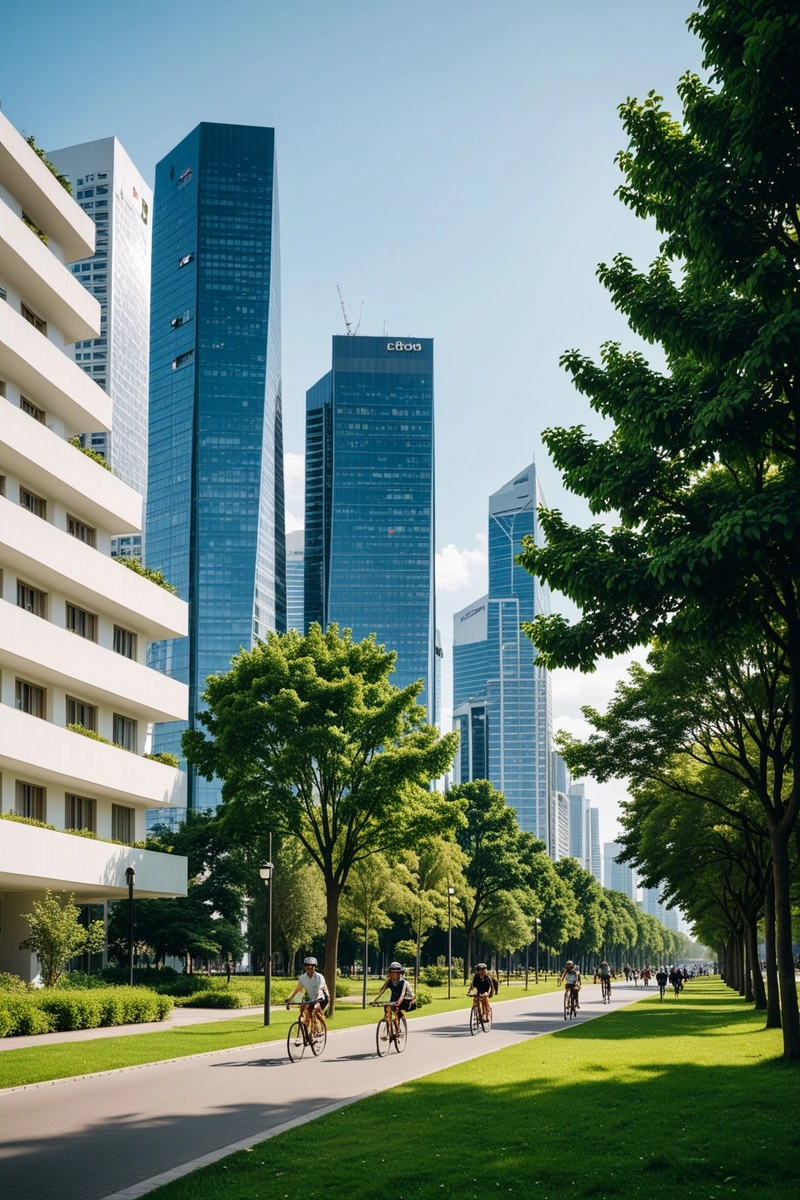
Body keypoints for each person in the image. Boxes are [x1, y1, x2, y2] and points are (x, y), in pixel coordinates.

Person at [285, 957, 330, 1027]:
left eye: (311, 966)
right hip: (312, 999)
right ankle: (310, 1029)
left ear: (315, 967)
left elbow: (320, 990)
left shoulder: (319, 977)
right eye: (306, 965)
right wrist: (289, 999)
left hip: (322, 998)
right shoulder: (302, 978)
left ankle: (320, 1027)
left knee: (316, 1010)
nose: (309, 968)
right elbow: (297, 990)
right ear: (304, 967)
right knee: (306, 1010)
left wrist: (317, 1000)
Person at [373, 962, 415, 1030]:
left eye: (397, 973)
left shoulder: (404, 982)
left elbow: (402, 994)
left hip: (403, 1000)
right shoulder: (389, 982)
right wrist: (375, 1000)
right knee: (387, 1009)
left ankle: (398, 1029)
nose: (394, 974)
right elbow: (381, 991)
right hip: (393, 1000)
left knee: (397, 1013)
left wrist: (400, 1000)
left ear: (400, 973)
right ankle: (389, 1028)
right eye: (392, 972)